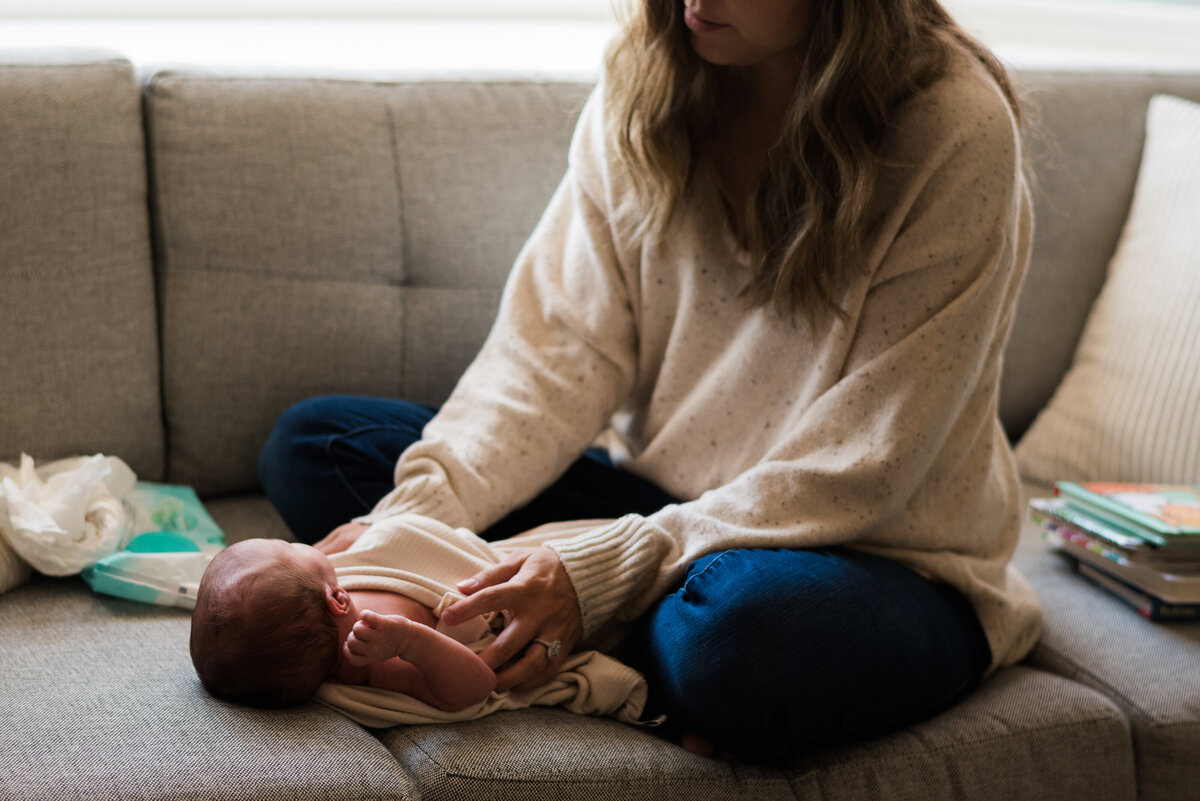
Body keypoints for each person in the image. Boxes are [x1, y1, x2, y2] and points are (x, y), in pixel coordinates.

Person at [258, 0, 1043, 761]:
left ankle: (590, 622)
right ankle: (594, 628)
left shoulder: (954, 126)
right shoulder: (649, 82)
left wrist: (597, 574)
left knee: (730, 641)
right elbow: (554, 357)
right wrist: (411, 532)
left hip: (868, 552)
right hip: (668, 508)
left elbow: (863, 464)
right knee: (318, 445)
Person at [189, 525, 497, 711]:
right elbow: (477, 687)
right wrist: (409, 640)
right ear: (337, 599)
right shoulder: (376, 661)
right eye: (289, 546)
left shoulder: (317, 597)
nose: (298, 543)